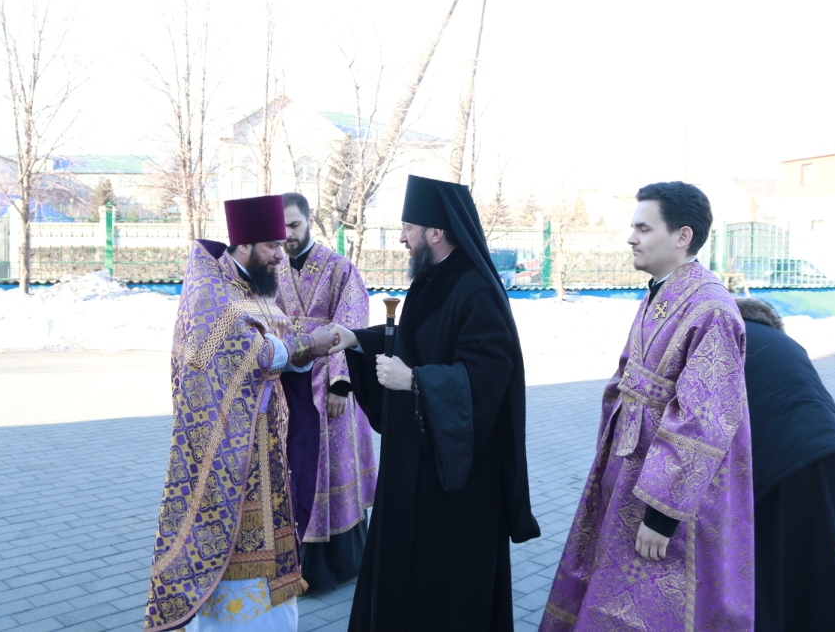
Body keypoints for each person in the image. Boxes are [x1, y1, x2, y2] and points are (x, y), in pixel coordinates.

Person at [328, 174, 540, 631]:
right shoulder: (435, 277)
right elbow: (417, 340)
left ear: (436, 232)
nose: (402, 238)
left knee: (443, 583)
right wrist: (357, 340)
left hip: (457, 477)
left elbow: (489, 372)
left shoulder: (476, 288)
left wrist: (415, 381)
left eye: (408, 227)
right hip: (415, 459)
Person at [540, 181, 754, 632]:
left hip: (672, 499)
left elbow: (704, 418)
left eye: (643, 228)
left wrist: (663, 513)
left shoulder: (711, 309)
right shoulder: (662, 289)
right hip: (630, 470)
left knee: (655, 606)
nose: (631, 238)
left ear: (682, 236)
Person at [143, 194, 339, 632]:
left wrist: (307, 346)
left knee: (272, 551)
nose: (281, 255)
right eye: (272, 246)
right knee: (234, 553)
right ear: (245, 244)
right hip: (227, 454)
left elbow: (278, 345)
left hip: (265, 449)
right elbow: (246, 353)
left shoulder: (254, 288)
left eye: (282, 245)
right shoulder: (211, 291)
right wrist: (307, 344)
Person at [274, 192, 377, 592]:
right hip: (288, 380)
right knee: (293, 465)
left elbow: (352, 323)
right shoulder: (274, 268)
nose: (287, 234)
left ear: (310, 221)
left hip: (328, 383)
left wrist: (341, 384)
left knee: (329, 465)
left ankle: (332, 566)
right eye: (281, 227)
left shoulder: (339, 268)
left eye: (294, 225)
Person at [734, 298, 835, 632]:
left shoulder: (730, 336)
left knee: (771, 564)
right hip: (831, 449)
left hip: (785, 460)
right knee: (817, 554)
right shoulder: (786, 342)